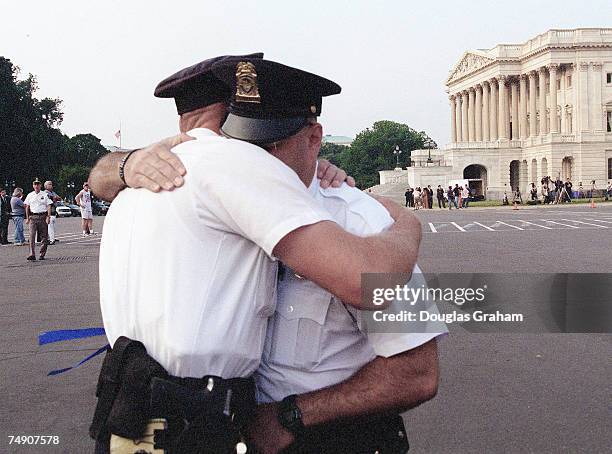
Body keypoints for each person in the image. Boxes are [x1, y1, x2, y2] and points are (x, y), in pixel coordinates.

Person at [91, 56, 422, 453]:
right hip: (196, 423)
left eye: (272, 142)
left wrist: (117, 165)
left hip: (139, 417)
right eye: (249, 141)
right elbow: (369, 278)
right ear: (227, 121)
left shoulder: (139, 182)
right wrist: (407, 226)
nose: (259, 158)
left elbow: (417, 373)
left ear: (314, 138)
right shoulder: (227, 169)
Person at [24, 178, 52, 261]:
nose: (36, 186)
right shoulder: (30, 195)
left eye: (38, 184)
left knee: (44, 237)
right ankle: (31, 253)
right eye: (35, 184)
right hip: (33, 217)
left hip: (43, 217)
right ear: (33, 186)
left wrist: (48, 216)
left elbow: (49, 205)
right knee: (32, 236)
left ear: (40, 185)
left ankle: (42, 253)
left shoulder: (44, 194)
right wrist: (27, 217)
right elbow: (27, 207)